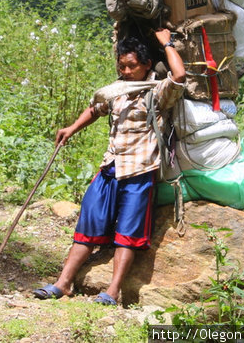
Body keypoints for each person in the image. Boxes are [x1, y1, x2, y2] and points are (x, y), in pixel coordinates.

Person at [33, 28, 185, 305]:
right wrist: (72, 128)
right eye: (121, 66)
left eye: (131, 66)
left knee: (128, 232)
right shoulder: (117, 90)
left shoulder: (157, 91)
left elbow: (180, 76)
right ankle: (63, 283)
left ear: (147, 64)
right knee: (88, 223)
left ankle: (112, 292)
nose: (125, 71)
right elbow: (96, 108)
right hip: (110, 167)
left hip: (140, 171)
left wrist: (168, 44)